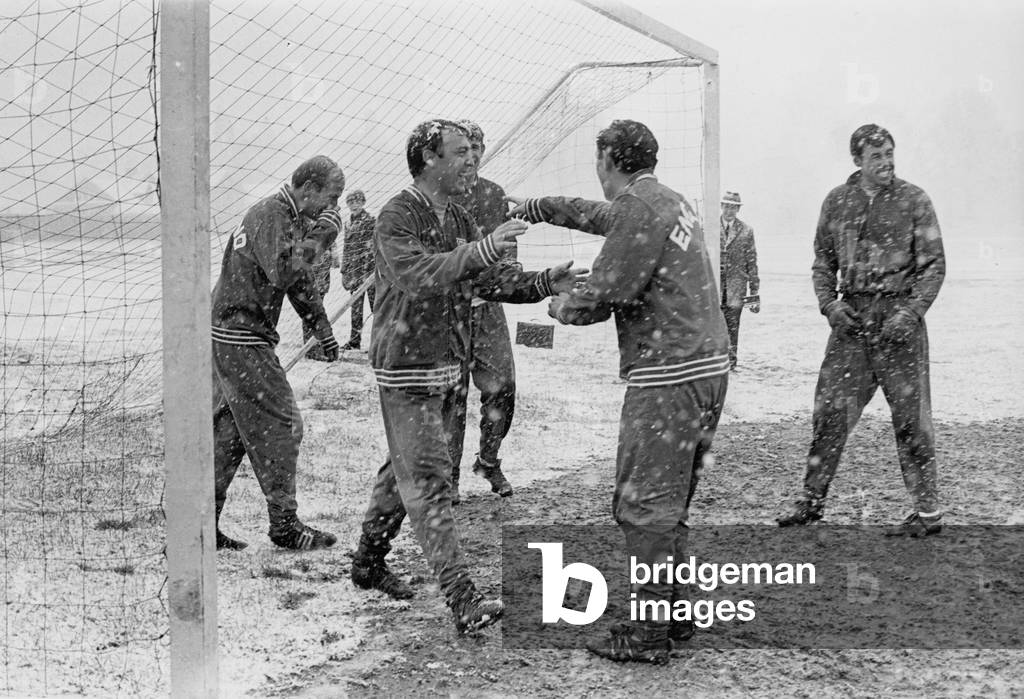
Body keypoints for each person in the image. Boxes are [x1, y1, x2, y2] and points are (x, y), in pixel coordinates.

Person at [349, 119, 585, 634]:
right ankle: (463, 598)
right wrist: (483, 248)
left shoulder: (457, 214)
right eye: (460, 153)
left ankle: (367, 563)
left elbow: (489, 279)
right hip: (407, 367)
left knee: (404, 469)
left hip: (450, 363)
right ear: (428, 159)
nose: (472, 161)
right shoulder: (396, 214)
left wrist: (546, 281)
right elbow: (419, 274)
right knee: (432, 480)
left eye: (472, 153)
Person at [512, 119, 730, 664]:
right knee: (673, 498)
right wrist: (536, 206)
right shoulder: (668, 200)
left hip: (668, 375)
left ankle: (648, 632)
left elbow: (602, 295)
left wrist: (558, 302)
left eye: (598, 158)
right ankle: (676, 616)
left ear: (609, 159)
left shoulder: (638, 209)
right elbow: (598, 216)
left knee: (644, 503)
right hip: (707, 367)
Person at [777, 124, 946, 537]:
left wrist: (909, 314)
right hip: (851, 324)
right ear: (857, 160)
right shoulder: (837, 202)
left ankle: (927, 513)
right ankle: (811, 500)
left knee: (911, 419)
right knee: (830, 413)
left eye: (889, 153)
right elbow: (822, 263)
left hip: (899, 325)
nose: (886, 162)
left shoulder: (914, 200)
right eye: (876, 156)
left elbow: (933, 265)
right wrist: (830, 305)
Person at [211, 155, 345, 551]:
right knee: (284, 423)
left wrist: (321, 327)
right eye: (330, 198)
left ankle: (197, 524)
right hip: (240, 337)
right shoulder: (271, 212)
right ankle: (284, 525)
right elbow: (286, 271)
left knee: (229, 433)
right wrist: (323, 235)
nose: (332, 209)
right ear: (308, 189)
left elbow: (298, 280)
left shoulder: (285, 216)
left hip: (235, 334)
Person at [448, 120, 518, 504]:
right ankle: (450, 475)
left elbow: (508, 246)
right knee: (452, 395)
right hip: (451, 310)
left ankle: (488, 459)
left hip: (488, 307)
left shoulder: (493, 194)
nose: (471, 155)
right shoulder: (439, 195)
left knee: (503, 386)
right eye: (464, 148)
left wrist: (512, 276)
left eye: (477, 147)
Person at [719, 190, 760, 369]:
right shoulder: (709, 228)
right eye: (727, 206)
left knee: (733, 327)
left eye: (733, 207)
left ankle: (731, 363)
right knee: (714, 327)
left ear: (738, 210)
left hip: (736, 287)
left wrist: (754, 293)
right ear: (721, 207)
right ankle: (715, 363)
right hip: (714, 287)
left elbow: (752, 262)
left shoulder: (746, 231)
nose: (729, 211)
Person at [340, 189, 376, 351]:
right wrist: (344, 270)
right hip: (354, 272)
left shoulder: (371, 221)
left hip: (370, 271)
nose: (354, 205)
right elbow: (347, 249)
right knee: (356, 309)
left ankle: (379, 342)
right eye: (351, 202)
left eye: (357, 202)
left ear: (363, 203)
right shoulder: (348, 224)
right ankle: (355, 341)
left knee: (376, 307)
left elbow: (376, 246)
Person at [301, 230, 339, 361]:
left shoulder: (325, 227)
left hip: (321, 277)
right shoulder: (308, 226)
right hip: (310, 278)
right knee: (310, 312)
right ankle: (311, 349)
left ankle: (315, 347)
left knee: (316, 311)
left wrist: (333, 256)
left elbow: (332, 244)